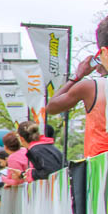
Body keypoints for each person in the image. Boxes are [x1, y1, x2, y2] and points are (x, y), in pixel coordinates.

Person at [45, 16, 108, 158]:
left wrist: (77, 77)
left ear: (101, 53)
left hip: (100, 170)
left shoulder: (91, 87)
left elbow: (52, 107)